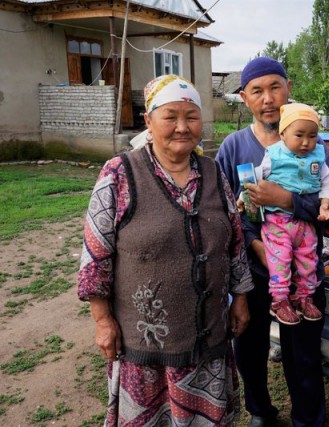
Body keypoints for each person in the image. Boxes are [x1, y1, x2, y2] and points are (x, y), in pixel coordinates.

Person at [77, 74, 253, 426]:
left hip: (209, 343)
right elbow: (96, 254)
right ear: (149, 120)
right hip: (147, 353)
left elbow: (234, 243)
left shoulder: (213, 172)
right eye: (170, 116)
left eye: (191, 117)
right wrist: (102, 320)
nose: (182, 127)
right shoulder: (119, 173)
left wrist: (241, 298)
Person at [215, 57, 329, 427]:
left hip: (303, 273)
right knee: (249, 349)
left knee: (302, 354)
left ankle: (308, 419)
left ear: (288, 88)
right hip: (252, 275)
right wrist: (259, 248)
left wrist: (286, 200)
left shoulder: (313, 146)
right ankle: (260, 412)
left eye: (275, 87)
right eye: (257, 90)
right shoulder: (233, 148)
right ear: (244, 97)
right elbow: (227, 213)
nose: (268, 98)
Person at [239, 102, 329, 325]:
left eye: (312, 136)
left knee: (308, 259)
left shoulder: (318, 156)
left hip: (305, 224)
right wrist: (242, 199)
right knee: (280, 261)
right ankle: (279, 300)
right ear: (283, 134)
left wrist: (325, 204)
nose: (306, 142)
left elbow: (328, 183)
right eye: (299, 135)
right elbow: (253, 178)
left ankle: (304, 296)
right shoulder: (273, 155)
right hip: (277, 222)